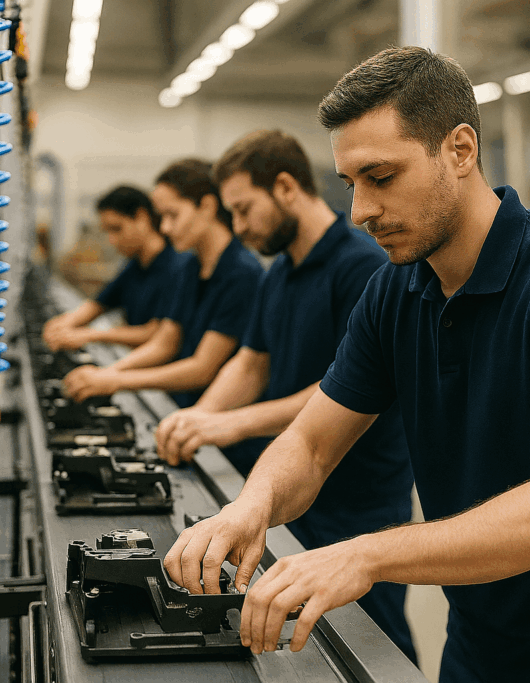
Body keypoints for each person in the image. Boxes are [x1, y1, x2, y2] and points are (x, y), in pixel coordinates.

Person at [162, 47, 530, 683]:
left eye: (380, 178)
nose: (358, 211)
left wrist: (367, 555)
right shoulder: (395, 291)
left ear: (460, 150)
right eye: (350, 183)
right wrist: (252, 504)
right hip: (478, 644)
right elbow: (310, 444)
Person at [153, 131, 417, 662]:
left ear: (286, 188)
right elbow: (251, 362)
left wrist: (230, 425)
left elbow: (337, 390)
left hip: (356, 497)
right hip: (297, 482)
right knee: (306, 640)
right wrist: (200, 417)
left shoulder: (363, 266)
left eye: (245, 210)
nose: (240, 227)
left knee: (371, 642)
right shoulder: (280, 274)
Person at [63, 160, 262, 406]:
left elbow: (202, 368)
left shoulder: (242, 273)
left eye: (172, 215)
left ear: (207, 207)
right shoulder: (191, 266)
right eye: (162, 217)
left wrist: (116, 380)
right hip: (181, 406)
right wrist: (108, 373)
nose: (165, 228)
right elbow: (166, 342)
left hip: (220, 420)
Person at [43, 185, 192, 352]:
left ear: (141, 218)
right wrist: (64, 324)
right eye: (107, 231)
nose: (112, 240)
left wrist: (90, 335)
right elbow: (100, 304)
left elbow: (156, 333)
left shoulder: (178, 267)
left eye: (117, 229)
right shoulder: (135, 266)